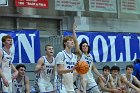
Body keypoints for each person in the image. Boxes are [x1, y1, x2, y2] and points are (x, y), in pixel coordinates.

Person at [72, 24, 104, 93]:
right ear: (81, 48)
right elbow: (76, 44)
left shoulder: (90, 56)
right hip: (82, 78)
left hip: (90, 78)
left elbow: (94, 68)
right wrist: (74, 31)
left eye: (86, 46)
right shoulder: (81, 55)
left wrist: (100, 75)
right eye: (83, 46)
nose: (85, 47)